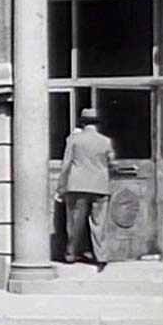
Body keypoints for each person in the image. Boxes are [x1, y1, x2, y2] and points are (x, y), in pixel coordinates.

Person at [56, 108, 115, 272]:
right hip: (100, 186)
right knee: (99, 223)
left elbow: (66, 164)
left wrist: (61, 187)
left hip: (77, 184)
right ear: (98, 123)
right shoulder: (105, 141)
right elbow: (111, 162)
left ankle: (70, 254)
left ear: (82, 122)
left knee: (75, 222)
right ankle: (101, 257)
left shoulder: (74, 140)